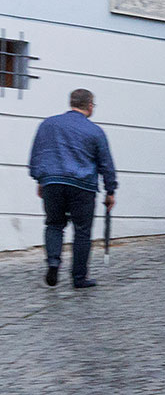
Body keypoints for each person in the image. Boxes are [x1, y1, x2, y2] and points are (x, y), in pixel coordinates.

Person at [28, 88, 116, 288]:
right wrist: (110, 191)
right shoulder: (95, 131)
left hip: (52, 182)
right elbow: (105, 164)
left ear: (71, 102)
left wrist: (40, 180)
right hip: (82, 186)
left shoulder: (47, 124)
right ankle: (79, 278)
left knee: (54, 224)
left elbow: (37, 155)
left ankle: (53, 263)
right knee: (82, 231)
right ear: (90, 105)